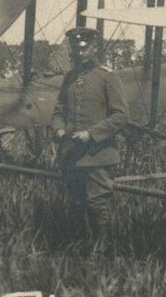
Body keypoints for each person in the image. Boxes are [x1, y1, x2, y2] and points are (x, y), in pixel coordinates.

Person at [50, 26, 130, 240]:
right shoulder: (69, 78)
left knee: (97, 204)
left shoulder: (107, 77)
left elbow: (121, 115)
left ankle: (101, 252)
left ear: (95, 48)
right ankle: (81, 249)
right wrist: (58, 128)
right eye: (76, 50)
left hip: (98, 154)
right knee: (76, 203)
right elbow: (59, 111)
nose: (80, 53)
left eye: (85, 48)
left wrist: (91, 134)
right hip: (72, 154)